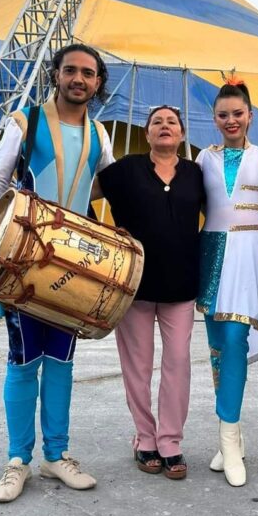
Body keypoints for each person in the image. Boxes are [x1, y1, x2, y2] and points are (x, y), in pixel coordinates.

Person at [0, 44, 114, 502]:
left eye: (88, 73)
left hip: (75, 264)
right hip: (23, 259)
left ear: (98, 82)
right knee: (24, 359)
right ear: (56, 75)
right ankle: (17, 459)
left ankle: (57, 455)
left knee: (62, 359)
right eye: (70, 71)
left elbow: (112, 182)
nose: (78, 79)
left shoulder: (100, 134)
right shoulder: (27, 121)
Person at [94, 105, 204, 480]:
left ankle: (170, 440)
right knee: (137, 367)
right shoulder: (124, 171)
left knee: (177, 364)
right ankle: (145, 438)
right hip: (134, 285)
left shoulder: (196, 173)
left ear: (182, 134)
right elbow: (80, 192)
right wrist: (100, 236)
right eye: (157, 122)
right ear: (147, 133)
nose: (164, 126)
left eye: (172, 122)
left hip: (182, 285)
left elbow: (223, 211)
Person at [195, 80, 258, 487]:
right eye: (223, 115)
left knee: (234, 341)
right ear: (215, 119)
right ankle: (232, 434)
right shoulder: (202, 158)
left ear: (250, 115)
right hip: (211, 254)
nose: (231, 120)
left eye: (238, 113)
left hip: (249, 256)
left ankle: (228, 438)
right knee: (217, 350)